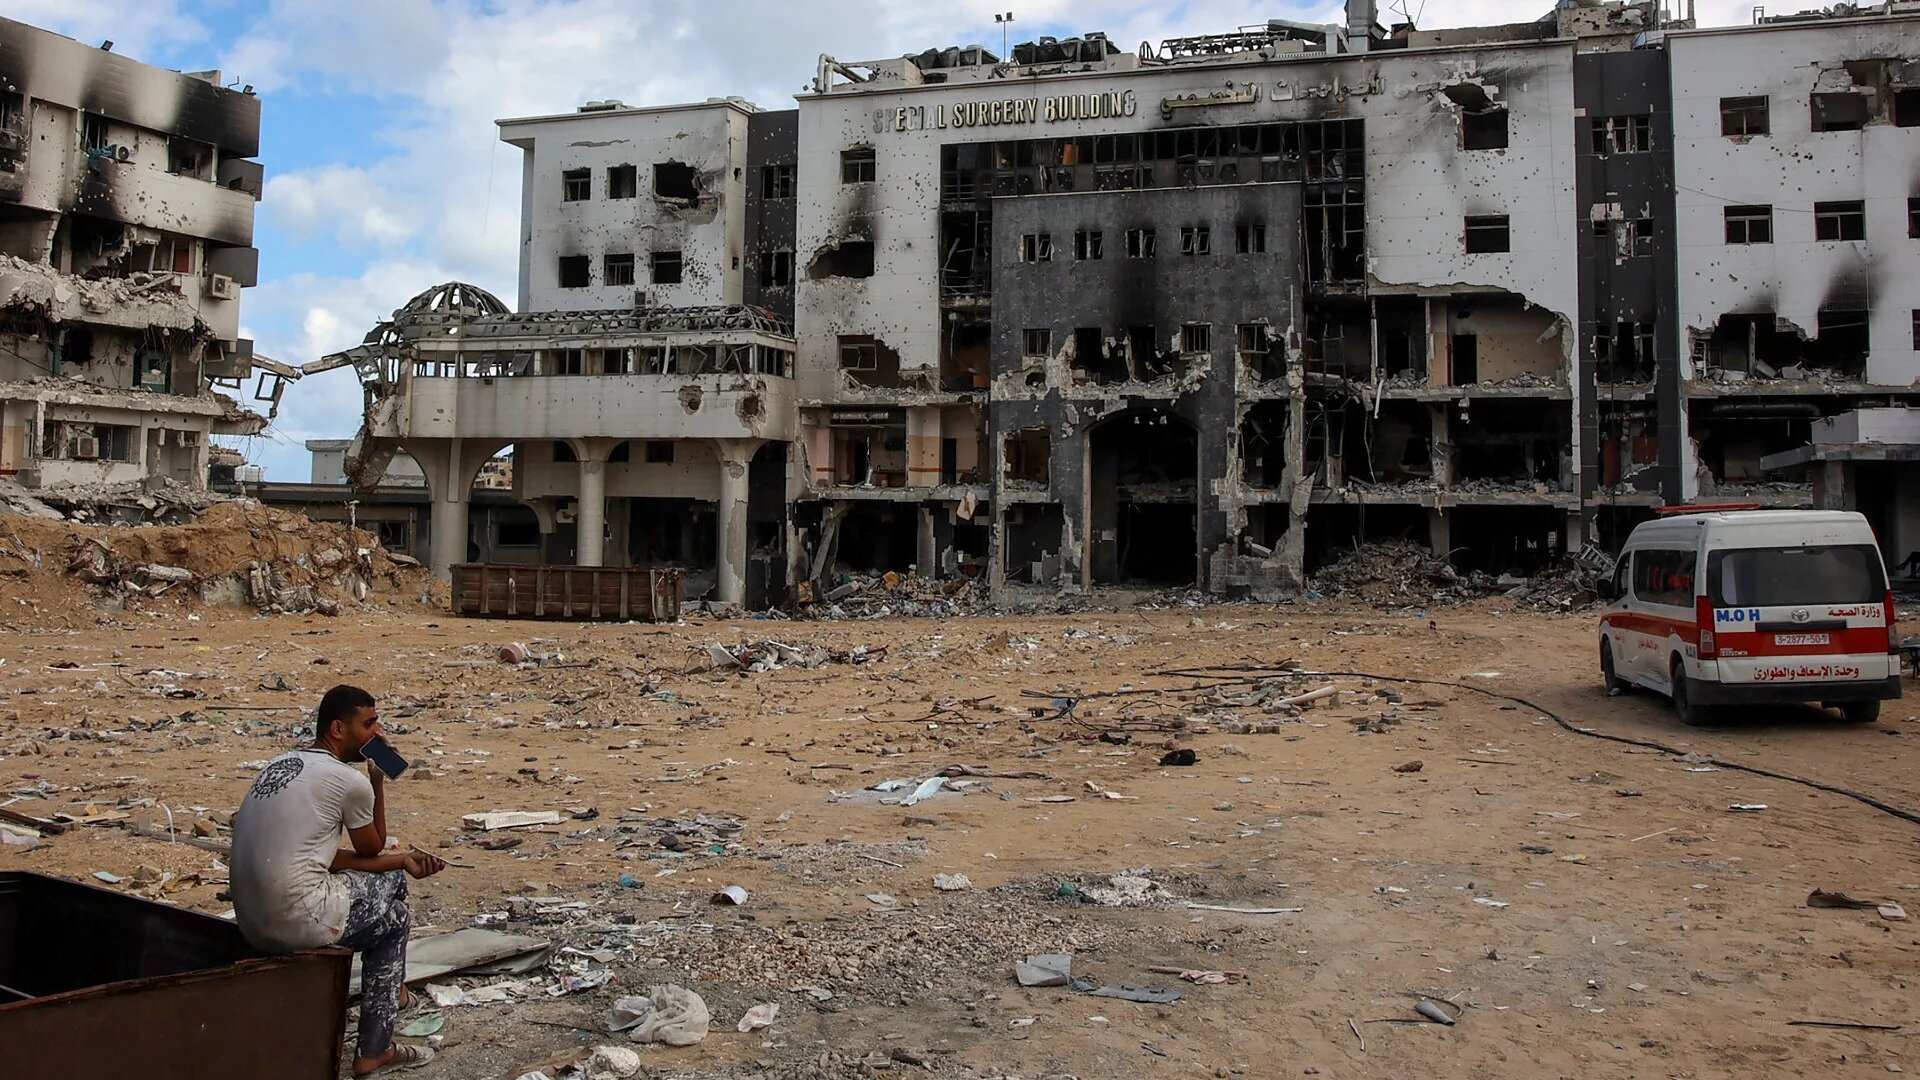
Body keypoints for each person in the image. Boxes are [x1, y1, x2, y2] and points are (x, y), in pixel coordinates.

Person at [231, 685, 445, 1077]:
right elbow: (371, 847)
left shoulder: (281, 764)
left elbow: (321, 856)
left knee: (391, 889)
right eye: (369, 724)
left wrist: (396, 858)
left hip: (249, 920)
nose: (376, 735)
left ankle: (391, 990)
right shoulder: (350, 781)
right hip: (297, 919)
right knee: (394, 914)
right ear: (337, 728)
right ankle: (376, 1045)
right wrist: (377, 781)